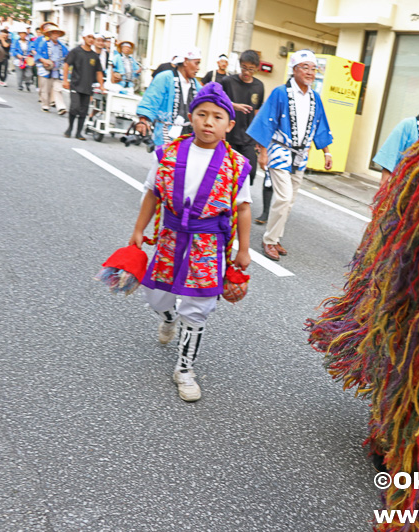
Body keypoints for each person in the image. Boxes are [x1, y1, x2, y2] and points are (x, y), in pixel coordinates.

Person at [128, 82, 252, 402]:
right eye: (202, 114)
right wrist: (139, 229)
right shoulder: (167, 154)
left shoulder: (237, 165)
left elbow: (243, 208)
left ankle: (184, 369)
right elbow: (153, 193)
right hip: (171, 237)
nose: (208, 122)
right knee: (157, 297)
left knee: (198, 308)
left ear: (229, 125)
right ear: (191, 117)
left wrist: (243, 248)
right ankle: (168, 317)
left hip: (208, 243)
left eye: (217, 117)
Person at [246, 49, 333, 261]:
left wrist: (327, 153)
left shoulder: (315, 97)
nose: (310, 72)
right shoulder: (280, 93)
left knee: (290, 200)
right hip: (279, 149)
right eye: (305, 67)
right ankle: (269, 241)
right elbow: (266, 122)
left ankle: (276, 237)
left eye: (313, 69)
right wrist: (263, 153)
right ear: (294, 69)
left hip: (301, 154)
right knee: (284, 197)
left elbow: (320, 125)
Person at [221, 50, 265, 214]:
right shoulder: (228, 82)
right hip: (229, 135)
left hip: (248, 137)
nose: (246, 72)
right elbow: (218, 101)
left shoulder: (259, 86)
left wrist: (259, 140)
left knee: (250, 171)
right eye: (244, 68)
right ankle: (226, 202)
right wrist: (234, 106)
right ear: (239, 65)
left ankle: (236, 198)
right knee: (227, 171)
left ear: (257, 69)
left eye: (251, 69)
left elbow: (257, 112)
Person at [135, 49, 202, 148]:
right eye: (196, 63)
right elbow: (151, 99)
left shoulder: (196, 85)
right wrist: (143, 120)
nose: (198, 68)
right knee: (164, 157)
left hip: (188, 135)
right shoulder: (164, 78)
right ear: (185, 61)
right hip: (165, 133)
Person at [62, 28, 105, 140]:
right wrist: (65, 80)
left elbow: (99, 71)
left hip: (87, 87)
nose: (91, 40)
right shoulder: (76, 51)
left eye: (93, 38)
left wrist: (102, 86)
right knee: (74, 107)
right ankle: (70, 128)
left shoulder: (94, 56)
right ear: (83, 38)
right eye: (89, 37)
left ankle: (78, 133)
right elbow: (66, 64)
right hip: (76, 85)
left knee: (83, 111)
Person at [35, 23, 68, 114]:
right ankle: (45, 105)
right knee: (45, 89)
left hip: (57, 70)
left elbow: (67, 55)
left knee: (58, 89)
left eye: (57, 33)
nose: (55, 35)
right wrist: (44, 61)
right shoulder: (43, 44)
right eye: (54, 33)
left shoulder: (62, 46)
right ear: (50, 34)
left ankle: (61, 107)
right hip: (46, 70)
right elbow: (38, 55)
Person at [11, 23, 34, 91]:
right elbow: (13, 50)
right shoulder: (16, 42)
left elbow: (32, 49)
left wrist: (32, 53)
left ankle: (27, 83)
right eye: (21, 34)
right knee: (19, 74)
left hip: (27, 59)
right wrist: (18, 55)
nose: (23, 35)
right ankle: (20, 86)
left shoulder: (29, 42)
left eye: (24, 34)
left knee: (29, 74)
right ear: (19, 34)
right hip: (19, 60)